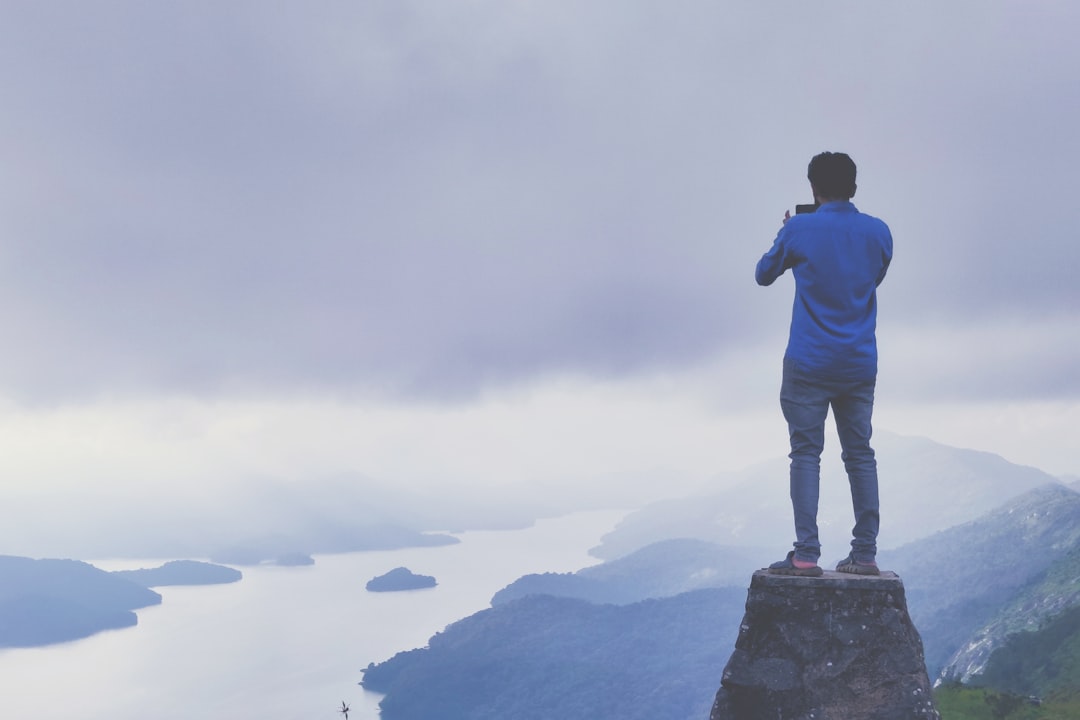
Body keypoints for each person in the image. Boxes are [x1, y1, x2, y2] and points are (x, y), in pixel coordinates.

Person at [755, 151, 893, 577]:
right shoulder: (879, 233)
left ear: (813, 188)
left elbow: (763, 274)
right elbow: (873, 277)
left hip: (809, 361)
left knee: (806, 454)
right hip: (858, 361)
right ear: (854, 187)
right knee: (860, 455)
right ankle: (865, 553)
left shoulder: (800, 228)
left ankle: (806, 554)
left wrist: (786, 235)